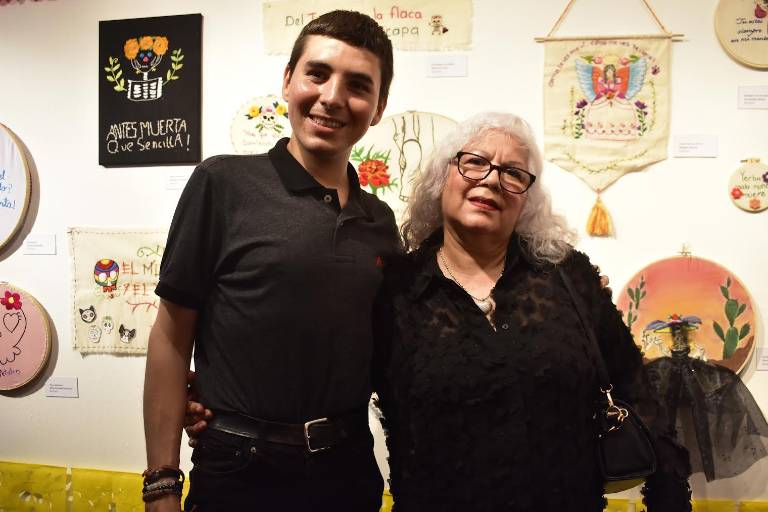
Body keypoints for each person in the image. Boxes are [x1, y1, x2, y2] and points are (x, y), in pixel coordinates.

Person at [185, 111, 693, 511]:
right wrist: (221, 400)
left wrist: (668, 494)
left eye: (514, 173)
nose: (491, 180)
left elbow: (633, 384)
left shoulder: (567, 275)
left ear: (527, 199)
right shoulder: (395, 291)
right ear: (441, 179)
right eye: (474, 163)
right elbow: (329, 373)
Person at [142, 10, 398, 512]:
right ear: (288, 80)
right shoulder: (222, 184)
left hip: (348, 473)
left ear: (378, 106)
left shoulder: (381, 223)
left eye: (358, 85)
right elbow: (171, 336)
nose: (331, 97)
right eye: (317, 73)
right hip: (239, 472)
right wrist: (161, 486)